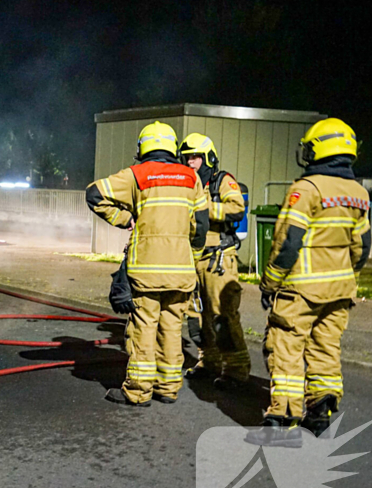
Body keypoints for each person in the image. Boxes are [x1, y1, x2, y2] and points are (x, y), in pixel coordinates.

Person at [248, 118, 371, 447]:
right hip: (340, 290)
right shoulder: (359, 194)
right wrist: (347, 276)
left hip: (301, 289)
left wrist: (270, 283)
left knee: (285, 347)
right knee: (326, 349)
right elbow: (362, 248)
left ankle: (282, 422)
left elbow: (288, 242)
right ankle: (320, 413)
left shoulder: (307, 189)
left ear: (318, 149)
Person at [86, 121, 209, 406]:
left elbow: (94, 194)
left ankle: (138, 392)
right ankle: (168, 387)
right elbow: (200, 225)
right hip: (182, 272)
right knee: (171, 328)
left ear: (143, 147)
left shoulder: (136, 175)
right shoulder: (192, 178)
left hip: (146, 272)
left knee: (144, 330)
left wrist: (124, 219)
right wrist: (192, 255)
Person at [177, 133, 251, 390]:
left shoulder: (222, 181)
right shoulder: (185, 185)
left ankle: (236, 369)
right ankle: (207, 361)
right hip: (192, 258)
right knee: (196, 317)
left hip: (218, 258)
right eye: (187, 157)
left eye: (195, 157)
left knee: (222, 316)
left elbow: (237, 208)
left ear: (207, 158)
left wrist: (204, 207)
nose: (190, 162)